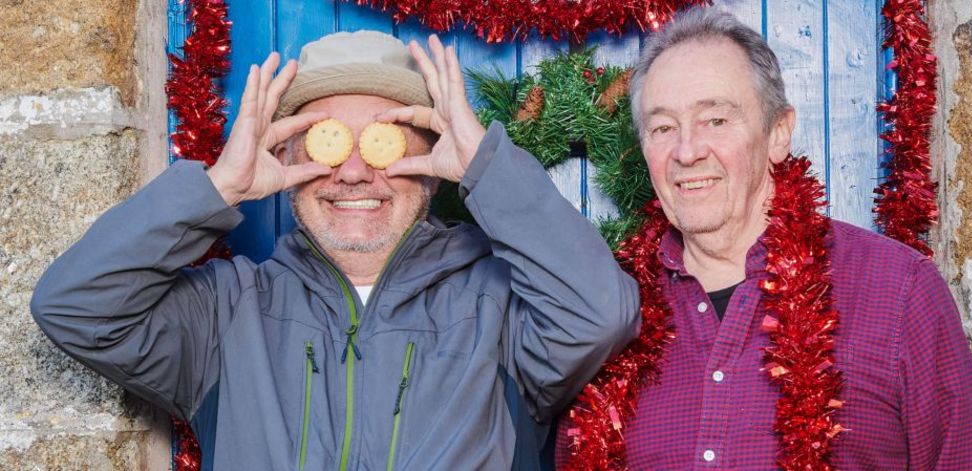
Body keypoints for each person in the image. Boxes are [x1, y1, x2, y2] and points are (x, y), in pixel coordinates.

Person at [32, 30, 639, 470]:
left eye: (383, 143)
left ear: (432, 165)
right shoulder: (223, 317)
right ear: (286, 160)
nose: (352, 172)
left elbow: (599, 313)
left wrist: (488, 168)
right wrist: (217, 186)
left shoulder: (499, 308)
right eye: (324, 145)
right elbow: (73, 307)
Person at [553, 8, 972, 470]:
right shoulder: (606, 310)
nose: (686, 151)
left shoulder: (900, 292)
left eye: (716, 120)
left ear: (779, 132)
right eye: (663, 128)